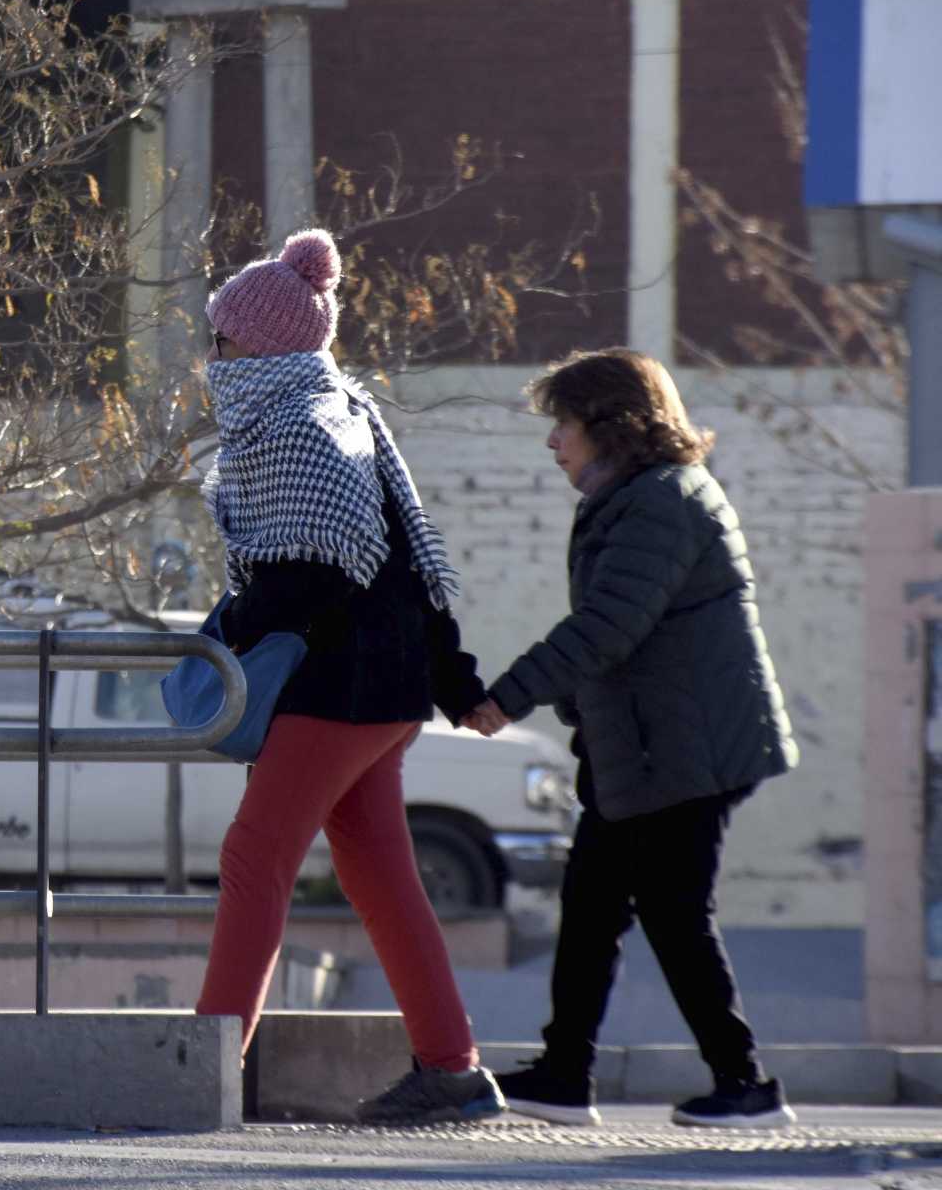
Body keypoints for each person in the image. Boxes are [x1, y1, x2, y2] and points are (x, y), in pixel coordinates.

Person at [193, 228, 505, 1126]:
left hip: (339, 688)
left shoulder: (299, 423)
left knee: (255, 858)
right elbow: (408, 553)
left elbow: (317, 572)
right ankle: (452, 1070)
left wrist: (235, 629)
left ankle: (206, 1062)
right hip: (385, 686)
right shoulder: (344, 408)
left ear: (266, 342)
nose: (215, 355)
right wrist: (453, 677)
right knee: (380, 875)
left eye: (225, 338)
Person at [463, 348, 799, 1129]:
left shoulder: (662, 501)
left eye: (564, 425)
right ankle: (564, 1074)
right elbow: (628, 642)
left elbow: (609, 627)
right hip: (649, 748)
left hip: (693, 749)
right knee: (591, 904)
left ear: (612, 424)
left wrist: (507, 698)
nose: (553, 442)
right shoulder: (633, 498)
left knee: (675, 912)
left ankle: (745, 1086)